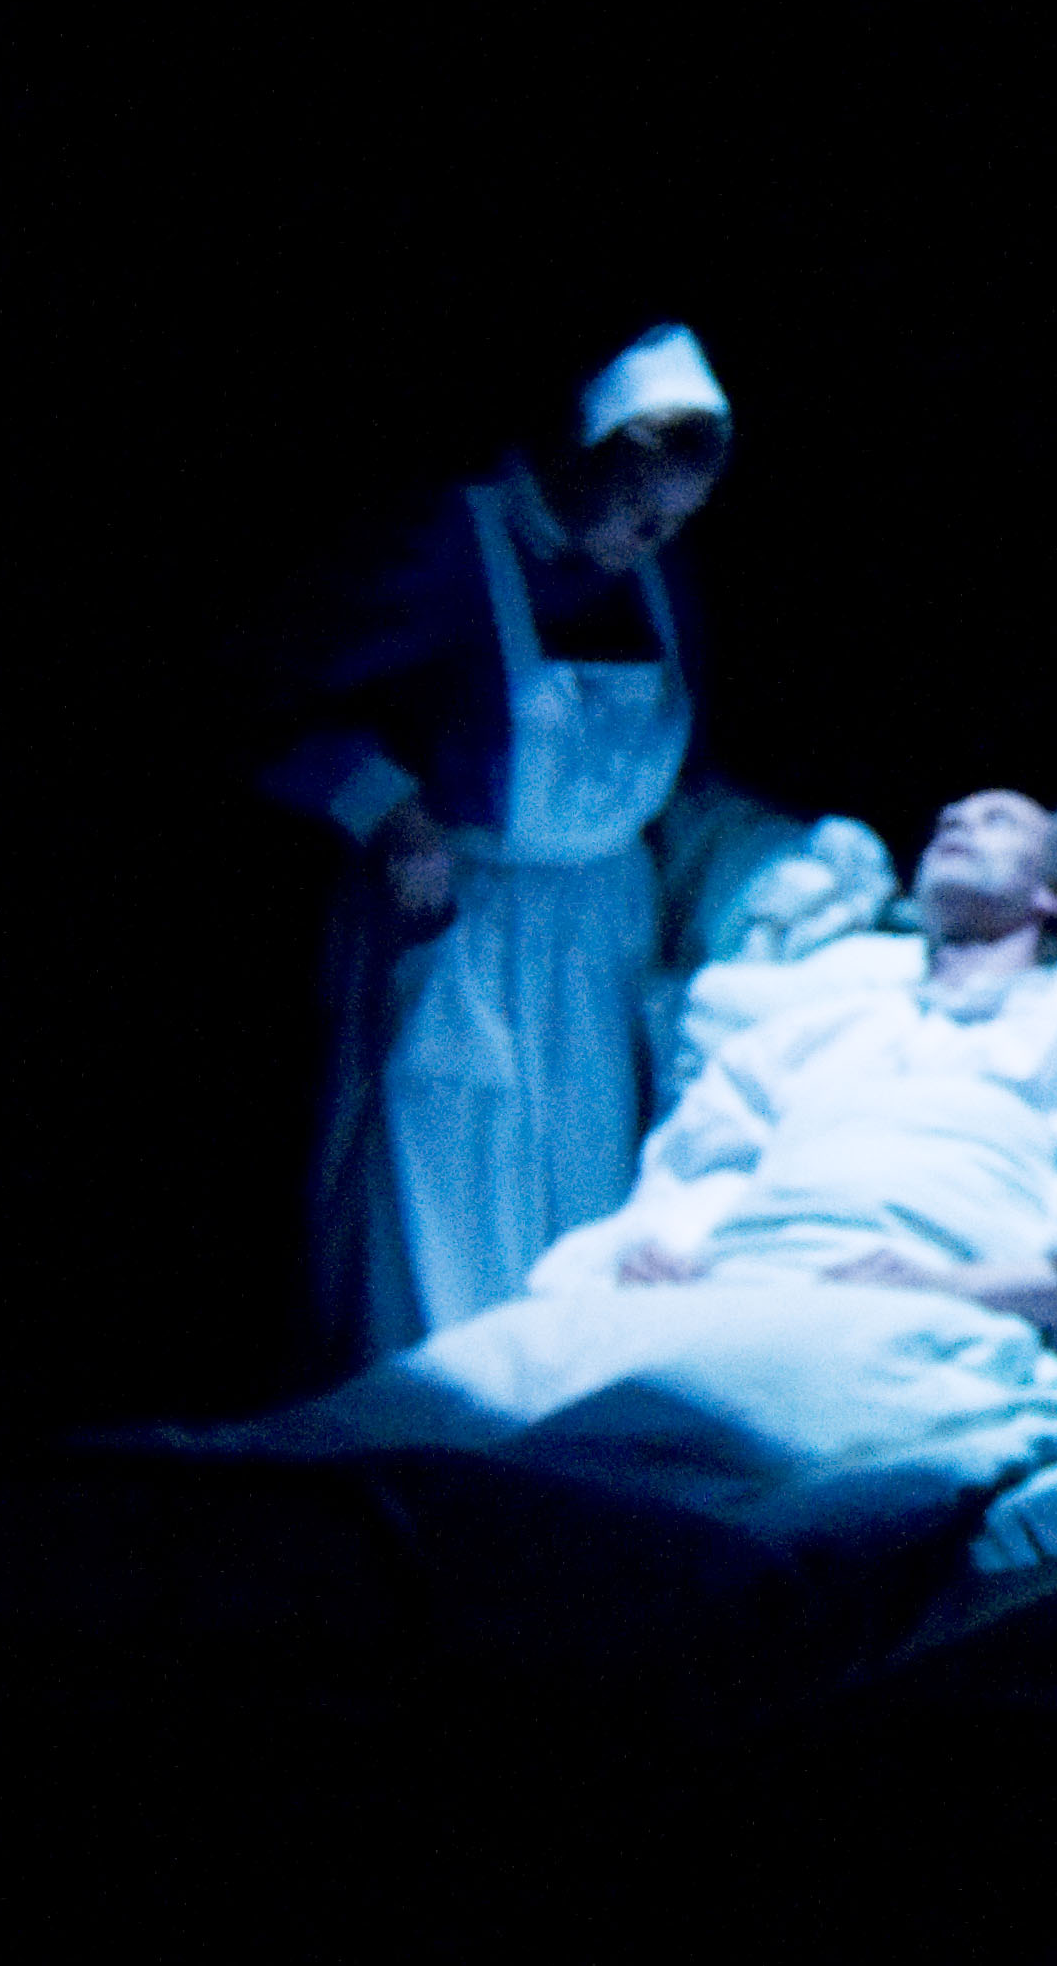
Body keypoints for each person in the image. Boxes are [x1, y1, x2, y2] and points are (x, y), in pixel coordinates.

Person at [258, 322, 735, 1359]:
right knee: (445, 1203)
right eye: (641, 507)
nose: (656, 536)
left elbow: (685, 762)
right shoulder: (453, 543)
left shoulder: (658, 576)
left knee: (582, 1198)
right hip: (466, 920)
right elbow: (270, 695)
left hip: (602, 934)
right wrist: (390, 811)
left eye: (679, 519)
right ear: (584, 459)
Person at [542, 787, 1057, 1389]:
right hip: (720, 1291)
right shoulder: (807, 1034)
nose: (955, 825)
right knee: (505, 1374)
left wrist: (945, 1287)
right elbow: (699, 1169)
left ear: (1054, 892)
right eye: (947, 820)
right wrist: (664, 1247)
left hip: (914, 1316)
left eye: (995, 821)